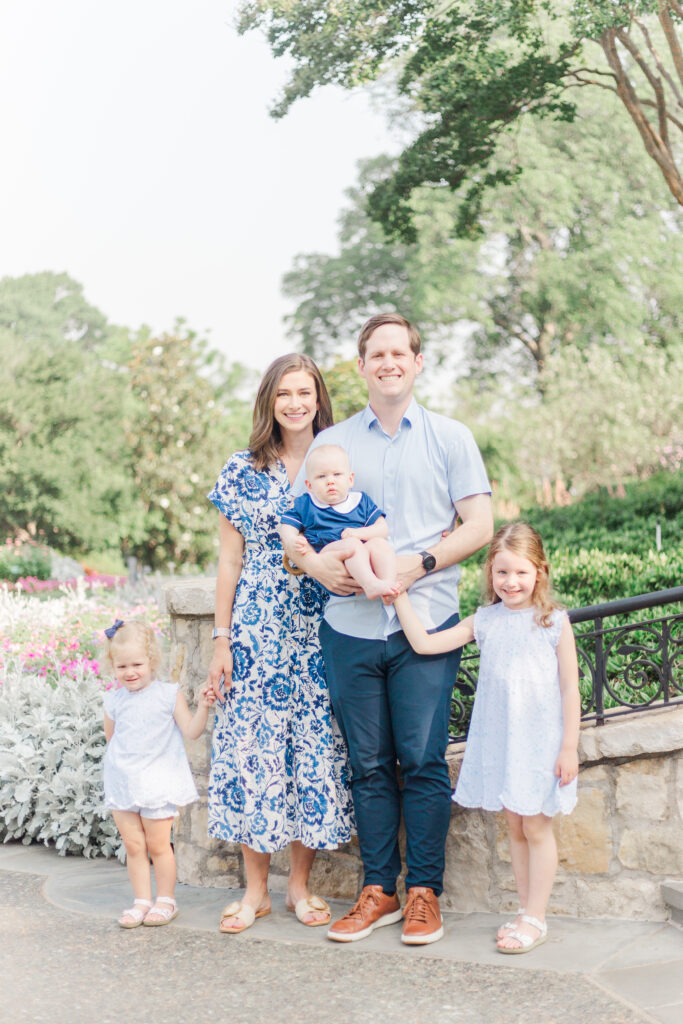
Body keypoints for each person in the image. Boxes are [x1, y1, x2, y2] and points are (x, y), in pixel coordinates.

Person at [282, 313, 493, 945]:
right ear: (361, 366)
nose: (389, 362)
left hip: (426, 622)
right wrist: (317, 564)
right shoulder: (334, 446)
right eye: (377, 354)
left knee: (423, 761)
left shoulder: (451, 437)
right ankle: (379, 889)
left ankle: (425, 892)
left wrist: (419, 562)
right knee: (368, 764)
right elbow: (292, 532)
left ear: (418, 362)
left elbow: (480, 526)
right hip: (348, 627)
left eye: (400, 352)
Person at [205, 353, 353, 935]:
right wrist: (222, 639)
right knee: (254, 751)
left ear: (319, 398)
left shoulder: (337, 463)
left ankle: (299, 887)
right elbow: (229, 560)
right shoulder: (242, 469)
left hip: (321, 625)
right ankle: (255, 891)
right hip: (258, 630)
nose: (295, 402)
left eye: (305, 391)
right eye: (284, 393)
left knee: (312, 748)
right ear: (270, 401)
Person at [391, 522, 581, 954]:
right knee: (514, 825)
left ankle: (537, 917)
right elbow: (424, 643)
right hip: (503, 740)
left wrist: (569, 746)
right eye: (501, 573)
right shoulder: (486, 621)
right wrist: (398, 594)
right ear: (490, 573)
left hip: (541, 742)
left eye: (520, 572)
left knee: (535, 825)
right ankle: (523, 910)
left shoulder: (553, 622)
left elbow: (571, 688)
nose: (511, 582)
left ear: (540, 572)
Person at [102, 618, 214, 928]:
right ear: (112, 666)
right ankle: (141, 901)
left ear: (152, 660)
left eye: (137, 664)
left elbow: (191, 731)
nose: (130, 672)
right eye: (122, 666)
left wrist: (204, 706)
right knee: (134, 846)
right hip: (123, 782)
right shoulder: (112, 701)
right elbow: (113, 742)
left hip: (157, 783)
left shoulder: (168, 694)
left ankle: (165, 899)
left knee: (158, 845)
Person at [280, 443, 401, 601]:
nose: (330, 481)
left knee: (379, 543)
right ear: (309, 485)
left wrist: (359, 533)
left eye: (337, 474)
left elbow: (382, 529)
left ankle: (387, 586)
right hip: (330, 564)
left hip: (361, 563)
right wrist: (293, 540)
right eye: (321, 476)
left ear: (350, 479)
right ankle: (371, 585)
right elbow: (286, 527)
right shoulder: (306, 504)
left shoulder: (360, 501)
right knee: (352, 544)